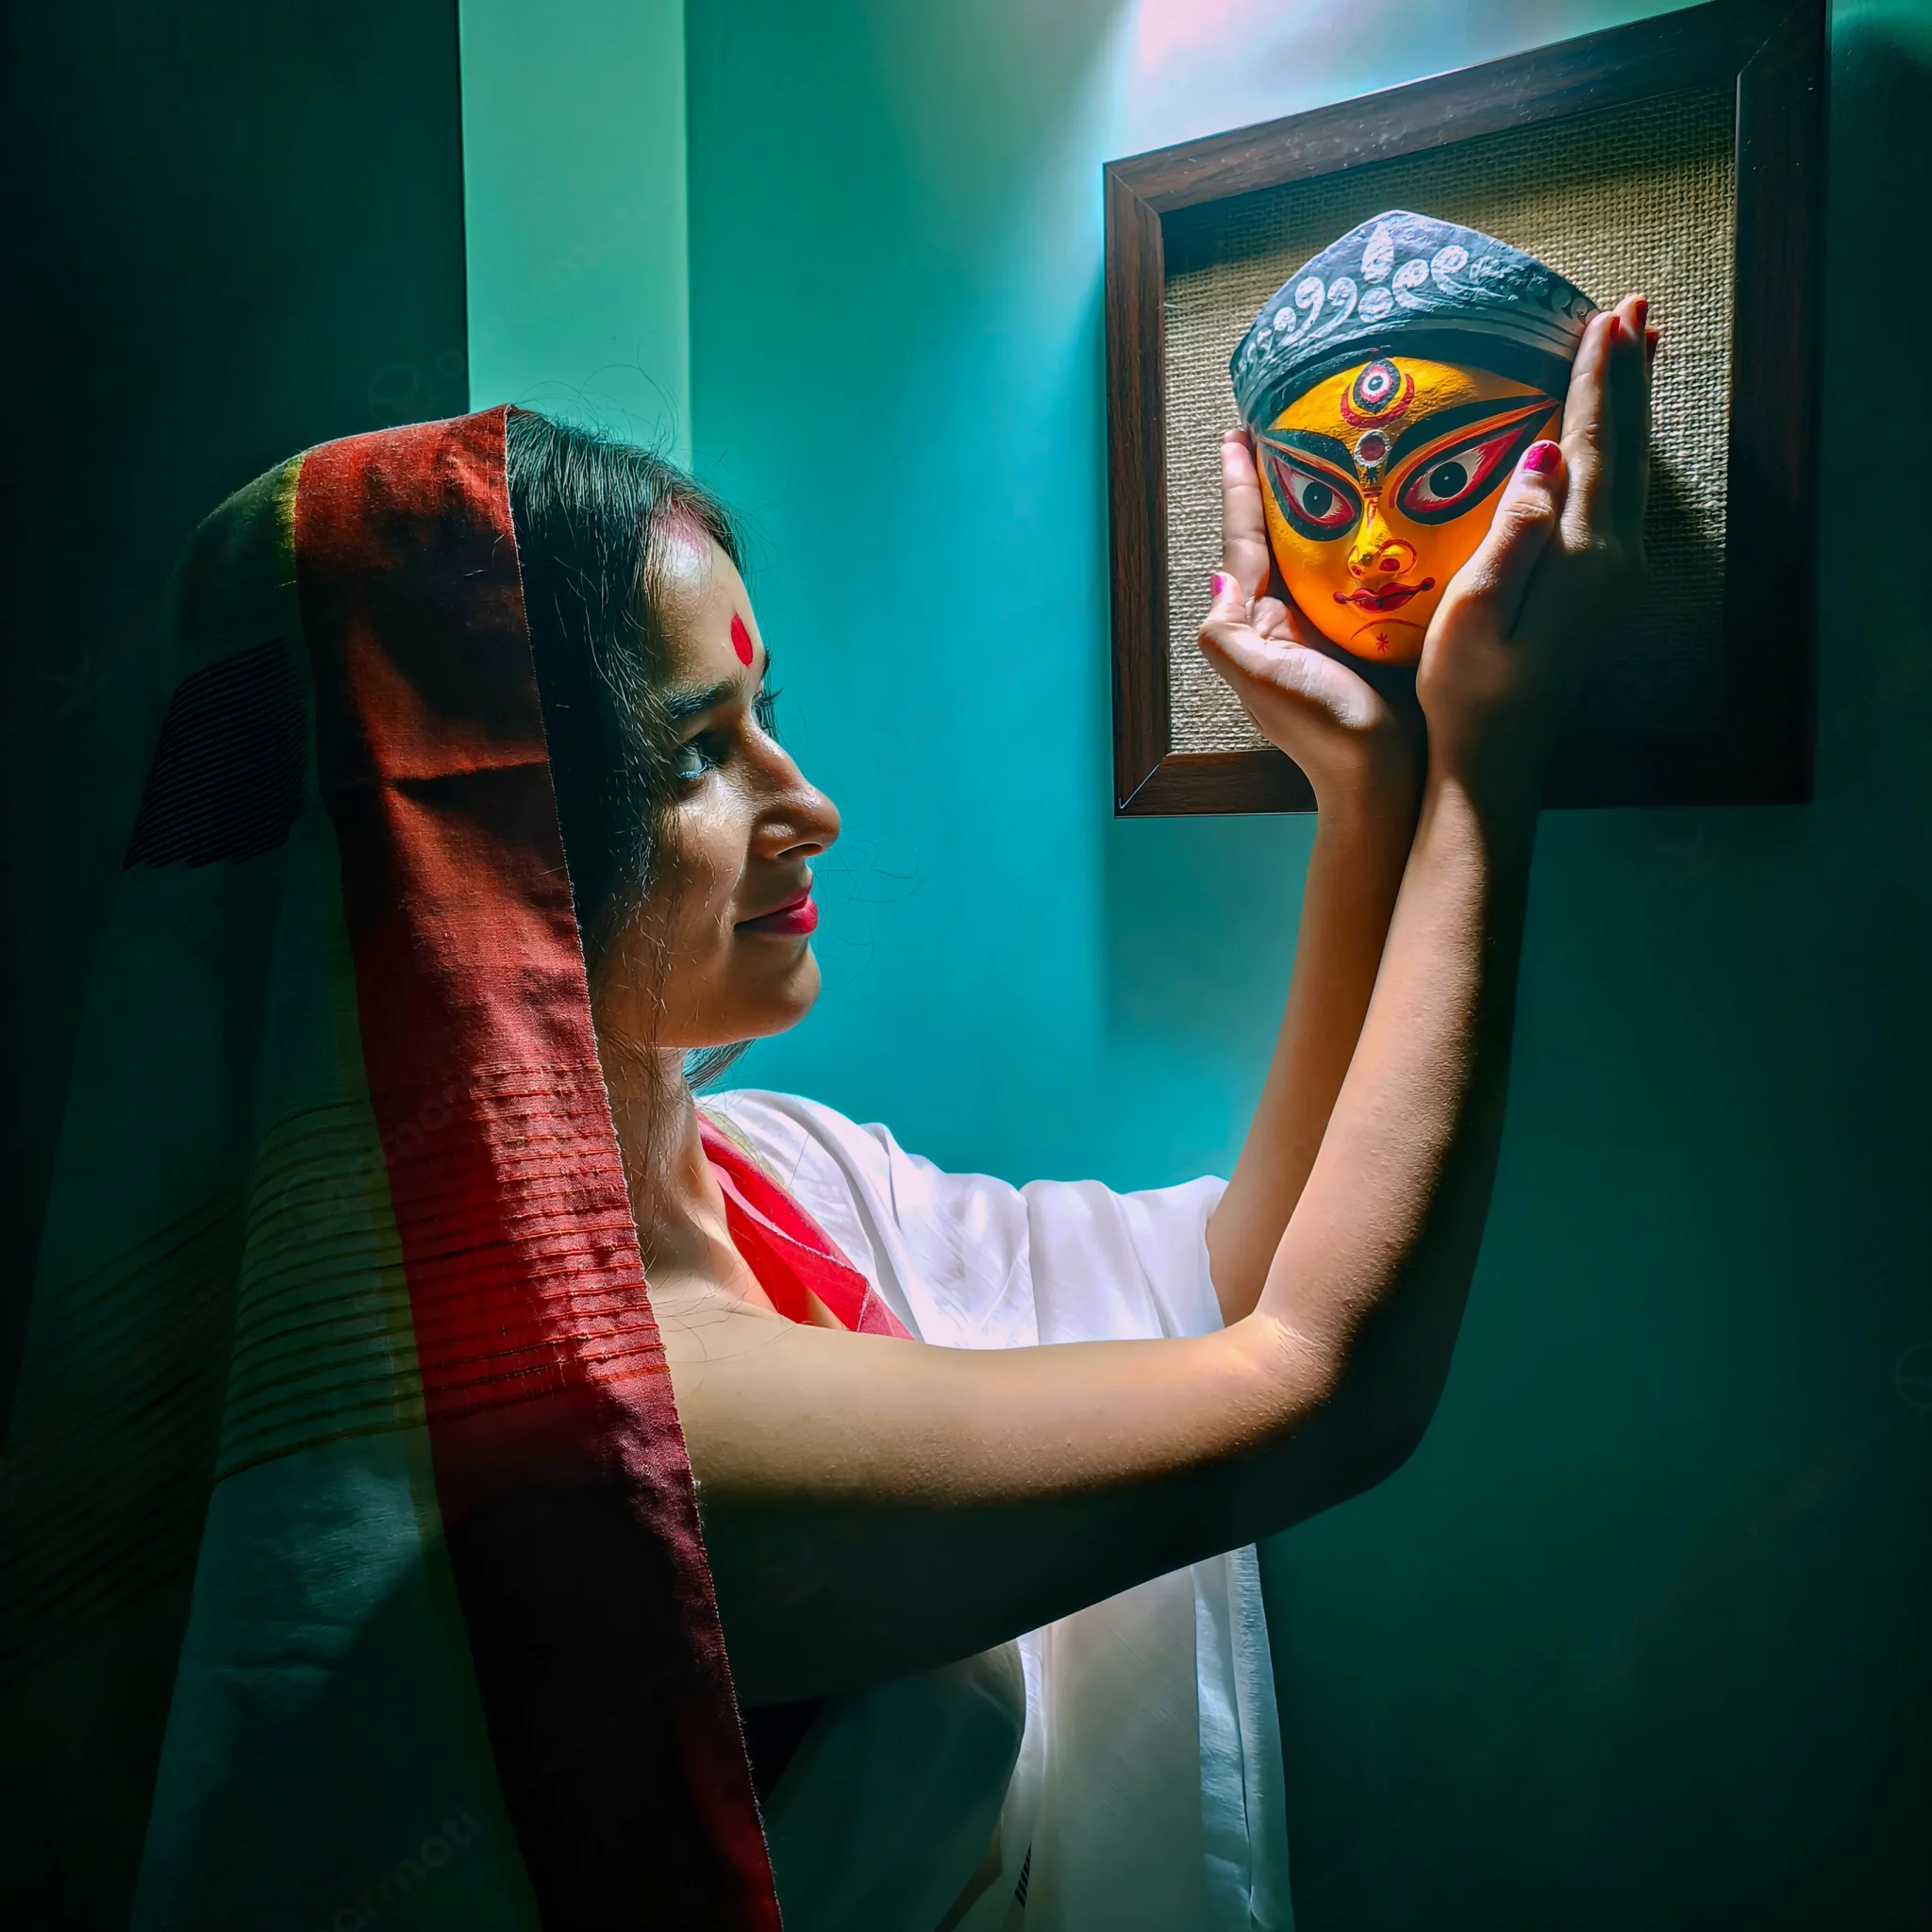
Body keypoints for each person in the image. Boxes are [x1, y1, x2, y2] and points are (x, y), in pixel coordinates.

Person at [0, 297, 1650, 1932]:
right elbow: (1316, 1387)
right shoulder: (605, 1432)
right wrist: (1492, 769)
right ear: (480, 854)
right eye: (695, 754)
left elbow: (1217, 1295)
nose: (811, 806)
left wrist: (1366, 797)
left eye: (765, 714)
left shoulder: (770, 1173)